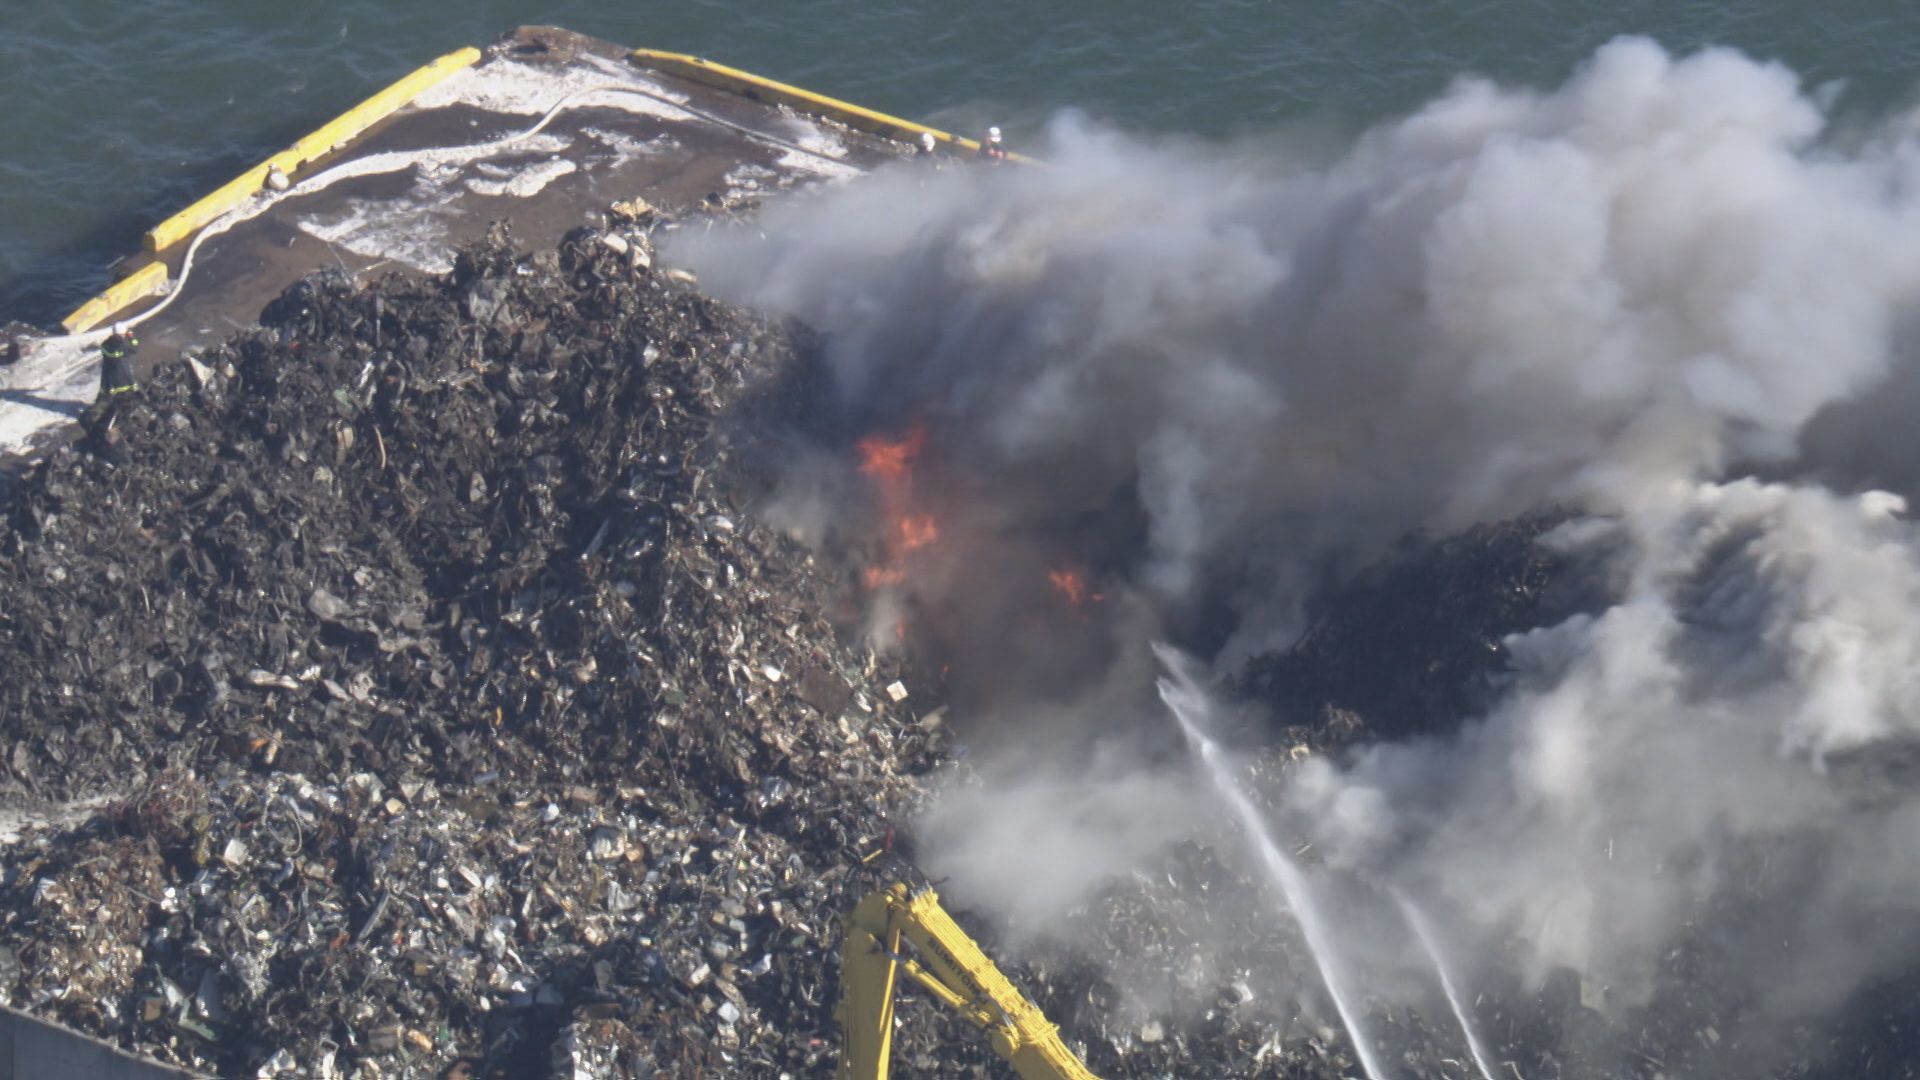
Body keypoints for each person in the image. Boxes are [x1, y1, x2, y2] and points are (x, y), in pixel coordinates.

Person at [98, 322, 138, 399]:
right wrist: (131, 337)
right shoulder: (124, 346)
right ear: (124, 334)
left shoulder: (105, 345)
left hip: (110, 380)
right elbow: (135, 348)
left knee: (109, 398)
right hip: (125, 378)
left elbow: (105, 349)